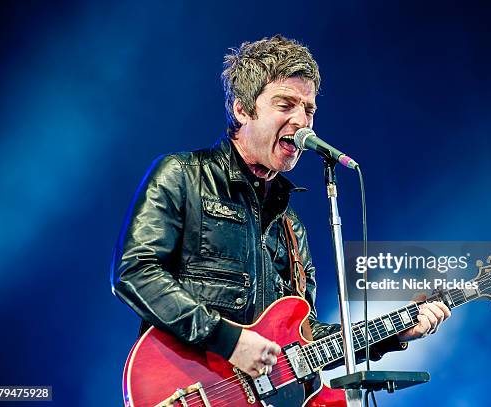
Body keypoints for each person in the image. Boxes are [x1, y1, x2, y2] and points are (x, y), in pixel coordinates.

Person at [111, 35, 451, 380]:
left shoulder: (292, 228)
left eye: (309, 109)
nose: (302, 121)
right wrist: (228, 341)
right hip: (187, 389)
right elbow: (135, 272)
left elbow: (304, 340)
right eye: (286, 105)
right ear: (242, 109)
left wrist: (393, 334)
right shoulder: (184, 175)